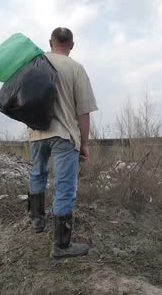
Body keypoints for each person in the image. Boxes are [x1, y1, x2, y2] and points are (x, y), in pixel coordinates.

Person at [27, 27, 98, 259]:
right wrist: (85, 144)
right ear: (72, 45)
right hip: (64, 135)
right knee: (64, 186)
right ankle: (61, 245)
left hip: (37, 133)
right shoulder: (76, 68)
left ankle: (37, 221)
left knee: (38, 173)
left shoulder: (35, 63)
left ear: (50, 42)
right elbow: (83, 112)